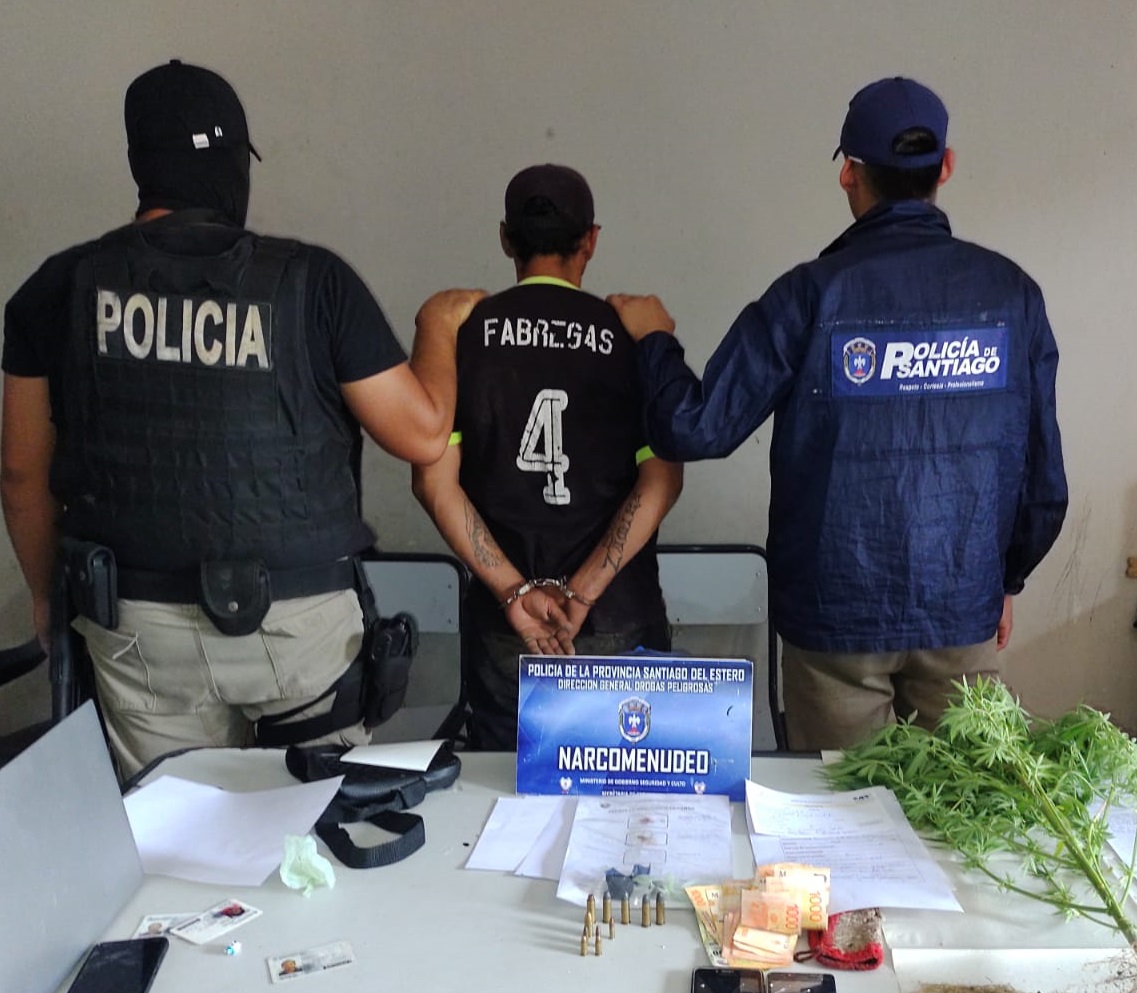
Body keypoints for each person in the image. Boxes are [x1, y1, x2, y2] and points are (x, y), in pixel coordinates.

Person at [0, 59, 479, 778]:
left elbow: (19, 472)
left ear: (141, 165)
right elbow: (422, 433)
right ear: (232, 165)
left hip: (137, 626)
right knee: (315, 821)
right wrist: (439, 327)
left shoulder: (57, 286)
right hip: (299, 623)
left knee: (171, 828)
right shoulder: (314, 281)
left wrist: (46, 598)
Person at [609, 77, 1067, 750]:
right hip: (960, 612)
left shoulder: (808, 297)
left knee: (840, 809)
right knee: (961, 810)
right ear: (945, 166)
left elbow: (694, 426)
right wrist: (1004, 580)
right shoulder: (1013, 296)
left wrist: (653, 339)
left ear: (849, 172)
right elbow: (1044, 482)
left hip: (835, 624)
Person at [413, 164, 683, 749]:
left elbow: (435, 484)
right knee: (630, 796)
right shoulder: (633, 335)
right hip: (617, 616)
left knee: (505, 795)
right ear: (591, 240)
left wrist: (514, 591)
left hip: (509, 627)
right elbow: (660, 483)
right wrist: (582, 592)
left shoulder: (462, 332)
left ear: (506, 239)